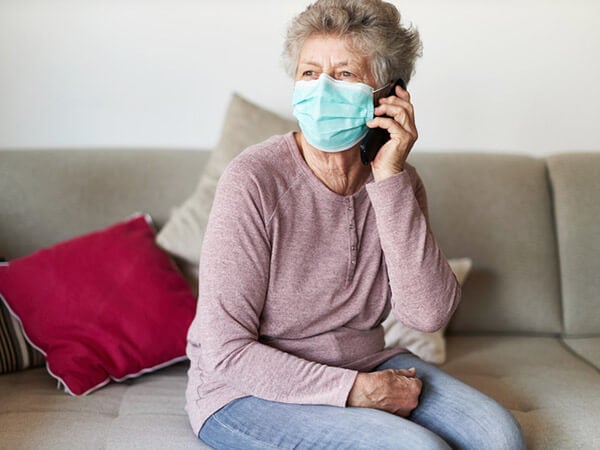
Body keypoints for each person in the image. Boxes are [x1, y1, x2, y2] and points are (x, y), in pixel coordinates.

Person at [186, 1, 525, 448]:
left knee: (500, 438)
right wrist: (354, 392)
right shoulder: (253, 179)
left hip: (366, 363)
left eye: (344, 74)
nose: (322, 89)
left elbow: (427, 315)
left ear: (387, 95)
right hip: (245, 389)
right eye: (309, 74)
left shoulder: (398, 181)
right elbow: (226, 350)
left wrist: (389, 179)